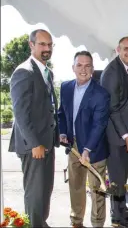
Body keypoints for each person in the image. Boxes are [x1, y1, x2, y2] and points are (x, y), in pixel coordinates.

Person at [9, 29, 59, 227]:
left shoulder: (47, 72)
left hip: (47, 142)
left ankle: (40, 223)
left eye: (49, 45)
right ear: (31, 45)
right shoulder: (24, 71)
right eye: (42, 44)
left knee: (45, 191)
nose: (46, 49)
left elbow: (47, 108)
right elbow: (20, 113)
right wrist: (34, 143)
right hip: (34, 146)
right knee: (35, 193)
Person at [58, 51, 110, 228]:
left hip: (94, 150)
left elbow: (99, 125)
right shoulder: (65, 87)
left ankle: (97, 224)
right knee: (76, 186)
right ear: (73, 68)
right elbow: (61, 114)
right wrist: (63, 132)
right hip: (72, 147)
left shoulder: (101, 94)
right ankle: (76, 222)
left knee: (97, 191)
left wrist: (87, 150)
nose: (83, 69)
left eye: (88, 65)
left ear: (93, 69)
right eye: (79, 65)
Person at [100, 36, 128, 227]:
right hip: (115, 134)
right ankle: (117, 217)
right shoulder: (112, 72)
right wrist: (126, 136)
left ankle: (122, 208)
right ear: (118, 49)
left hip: (126, 130)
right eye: (126, 49)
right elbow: (113, 108)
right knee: (116, 176)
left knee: (123, 173)